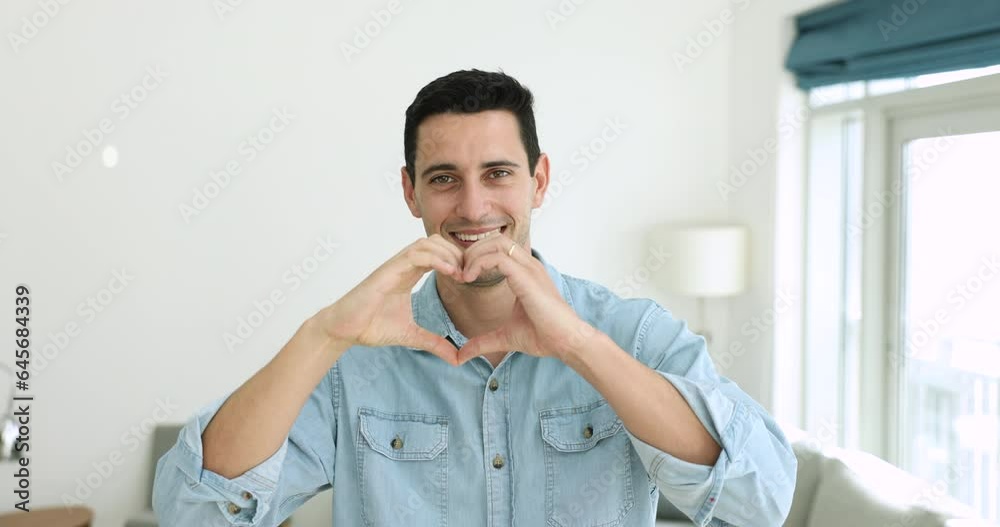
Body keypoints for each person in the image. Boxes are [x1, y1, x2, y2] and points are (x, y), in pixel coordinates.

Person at [152, 69, 796, 526]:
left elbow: (760, 500)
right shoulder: (354, 356)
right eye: (443, 179)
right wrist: (322, 335)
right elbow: (194, 513)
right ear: (411, 193)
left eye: (497, 173)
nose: (473, 206)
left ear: (538, 181)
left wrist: (577, 343)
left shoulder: (633, 333)